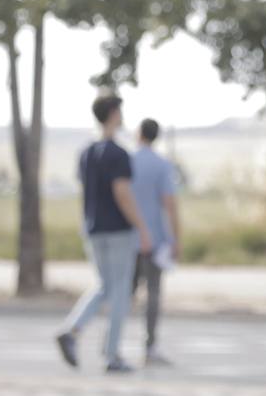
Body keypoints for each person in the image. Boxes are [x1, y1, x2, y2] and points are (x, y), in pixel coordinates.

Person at [55, 90, 152, 374]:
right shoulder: (118, 154)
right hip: (118, 230)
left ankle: (73, 330)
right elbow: (122, 193)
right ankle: (112, 354)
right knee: (120, 292)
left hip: (93, 228)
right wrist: (142, 227)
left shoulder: (86, 153)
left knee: (104, 286)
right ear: (113, 114)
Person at [131, 117, 180, 366]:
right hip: (155, 240)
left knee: (124, 294)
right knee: (153, 294)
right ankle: (150, 347)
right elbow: (170, 204)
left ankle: (111, 344)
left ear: (139, 134)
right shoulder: (162, 165)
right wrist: (175, 239)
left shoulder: (127, 161)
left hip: (128, 239)